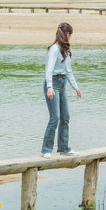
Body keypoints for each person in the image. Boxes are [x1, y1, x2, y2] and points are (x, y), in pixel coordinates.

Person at [41, 22, 83, 158]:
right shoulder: (54, 49)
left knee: (65, 117)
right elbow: (49, 70)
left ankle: (64, 148)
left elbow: (68, 71)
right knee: (55, 118)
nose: (70, 37)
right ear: (67, 34)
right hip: (52, 83)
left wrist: (76, 87)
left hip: (62, 83)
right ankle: (46, 150)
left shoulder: (66, 50)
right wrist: (49, 87)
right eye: (70, 34)